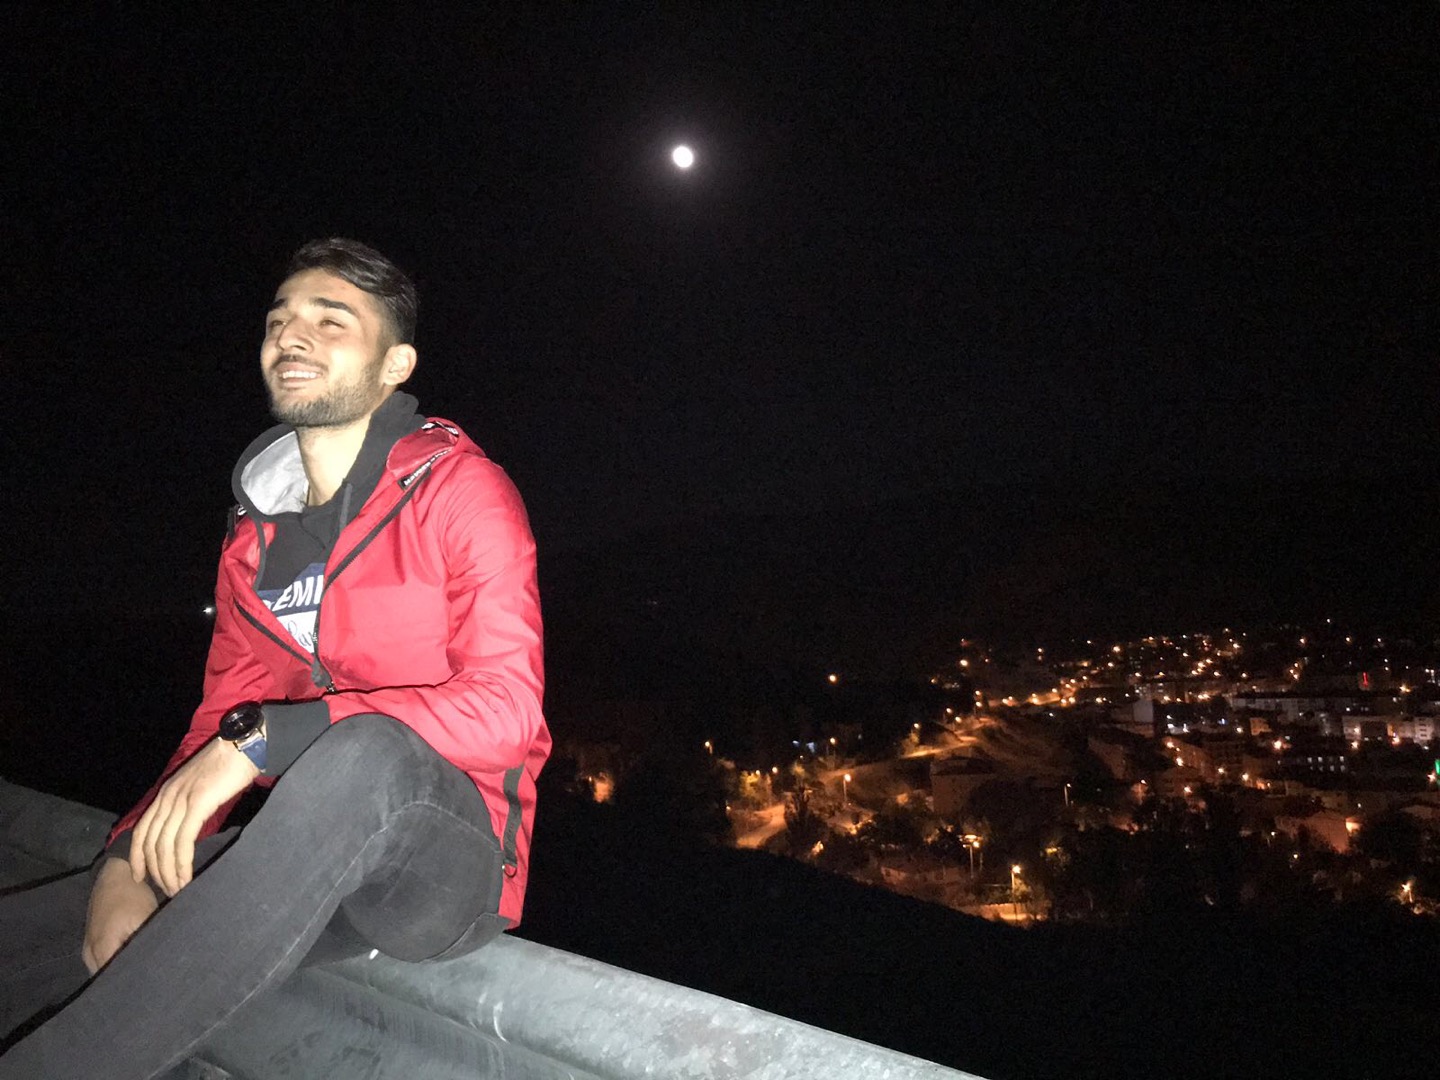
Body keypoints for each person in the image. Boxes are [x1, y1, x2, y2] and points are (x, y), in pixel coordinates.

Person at [0, 238, 549, 1078]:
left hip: (446, 863)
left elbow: (506, 711)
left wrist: (267, 740)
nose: (293, 335)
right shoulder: (252, 540)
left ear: (395, 364)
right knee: (60, 927)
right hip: (312, 851)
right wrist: (128, 858)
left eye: (332, 322)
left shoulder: (460, 491)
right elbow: (218, 725)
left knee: (365, 752)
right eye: (280, 320)